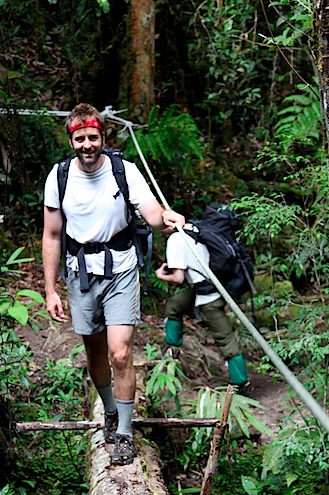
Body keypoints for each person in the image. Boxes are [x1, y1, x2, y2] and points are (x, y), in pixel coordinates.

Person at [42, 103, 185, 465]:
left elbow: (150, 210)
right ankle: (108, 408)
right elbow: (52, 234)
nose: (87, 145)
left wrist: (165, 218)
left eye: (93, 137)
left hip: (121, 267)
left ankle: (123, 431)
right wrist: (49, 290)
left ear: (103, 137)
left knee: (120, 352)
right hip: (80, 271)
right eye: (80, 139)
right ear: (71, 141)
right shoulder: (58, 177)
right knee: (94, 350)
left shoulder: (125, 171)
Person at [155, 223, 253, 396]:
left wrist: (161, 276)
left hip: (209, 296)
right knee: (175, 305)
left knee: (225, 338)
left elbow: (178, 278)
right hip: (214, 286)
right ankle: (171, 352)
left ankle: (242, 384)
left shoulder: (175, 240)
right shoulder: (194, 228)